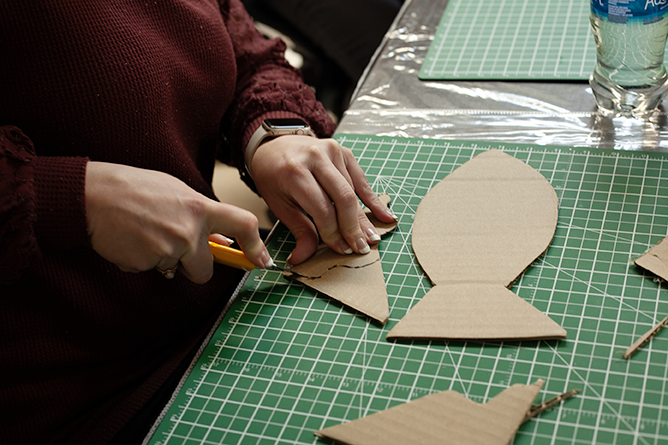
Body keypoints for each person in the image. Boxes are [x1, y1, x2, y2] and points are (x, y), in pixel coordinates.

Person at [0, 1, 397, 444]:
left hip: (215, 314)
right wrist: (74, 198)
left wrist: (272, 133)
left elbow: (245, 56)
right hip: (79, 395)